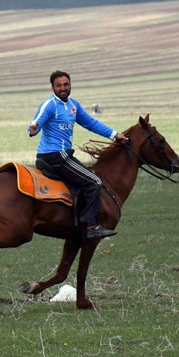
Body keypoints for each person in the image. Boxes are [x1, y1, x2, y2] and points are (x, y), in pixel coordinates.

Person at [27, 70, 128, 239]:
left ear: (70, 85)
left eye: (66, 84)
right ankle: (91, 226)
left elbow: (91, 123)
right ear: (52, 87)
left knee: (88, 178)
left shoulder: (73, 105)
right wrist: (33, 128)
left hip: (64, 155)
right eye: (58, 85)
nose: (63, 88)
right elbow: (37, 121)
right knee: (94, 181)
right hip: (54, 156)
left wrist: (114, 135)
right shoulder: (50, 104)